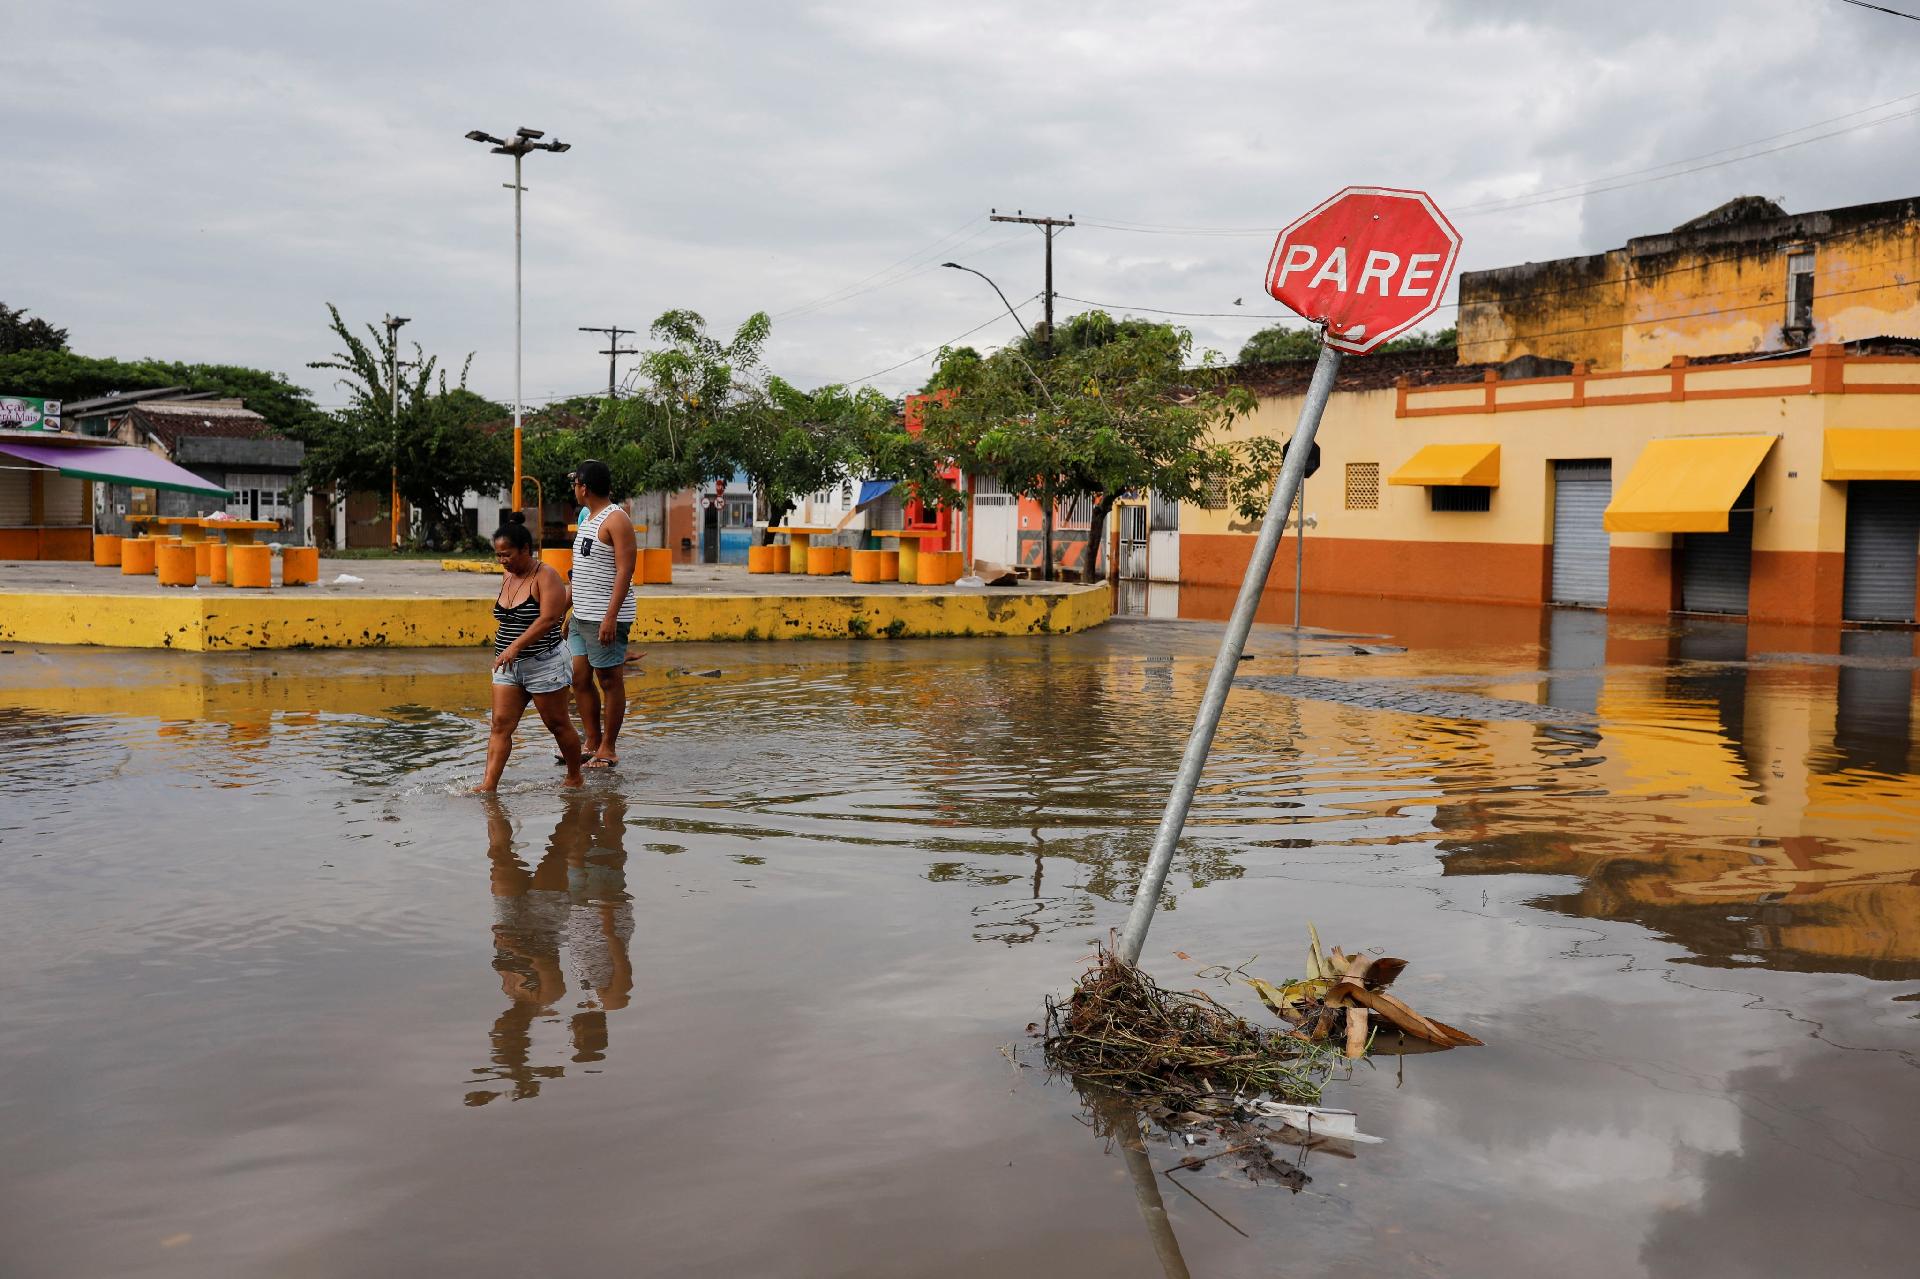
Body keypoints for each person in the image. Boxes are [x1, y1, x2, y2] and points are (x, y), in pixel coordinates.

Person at [476, 513, 584, 792]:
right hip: (509, 667)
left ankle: (575, 776)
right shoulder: (507, 575)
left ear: (526, 549)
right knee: (500, 725)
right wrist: (507, 650)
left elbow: (550, 618)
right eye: (499, 555)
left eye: (508, 554)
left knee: (558, 724)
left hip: (544, 663)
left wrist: (515, 646)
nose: (503, 561)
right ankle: (488, 786)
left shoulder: (545, 576)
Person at [567, 459, 637, 769]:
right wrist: (570, 610)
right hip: (582, 615)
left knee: (609, 681)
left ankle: (608, 748)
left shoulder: (616, 518)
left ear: (584, 487)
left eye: (575, 483)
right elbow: (583, 570)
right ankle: (592, 740)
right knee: (579, 678)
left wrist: (610, 616)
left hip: (604, 616)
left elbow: (626, 570)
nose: (574, 489)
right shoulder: (588, 517)